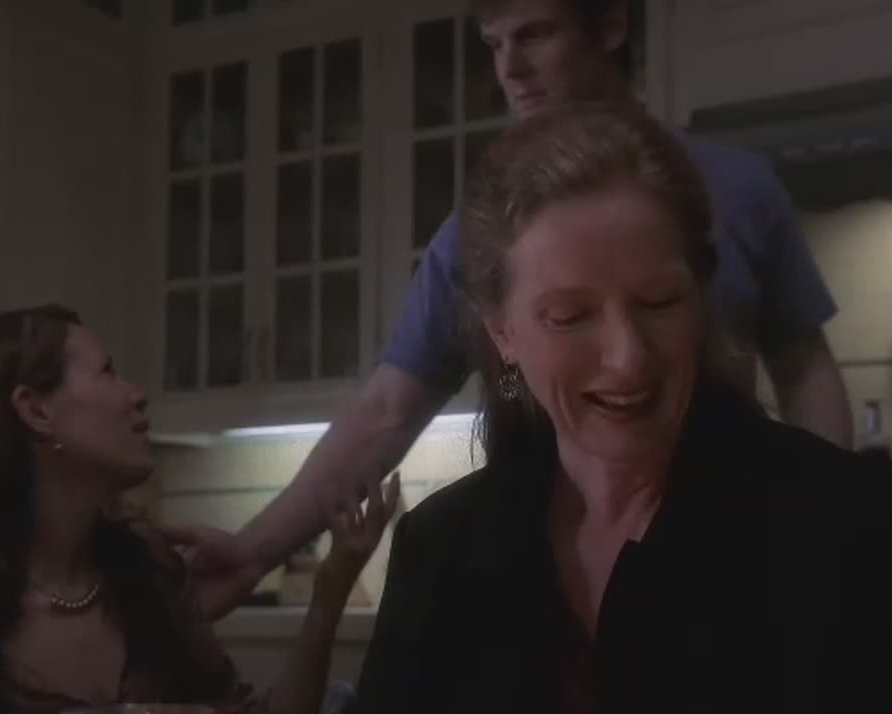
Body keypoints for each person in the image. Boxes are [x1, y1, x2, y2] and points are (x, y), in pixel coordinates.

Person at [166, 0, 854, 618]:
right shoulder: (479, 238)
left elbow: (805, 368)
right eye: (494, 44)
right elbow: (387, 411)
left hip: (732, 557)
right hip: (549, 582)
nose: (510, 69)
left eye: (535, 34)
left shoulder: (738, 190)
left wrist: (825, 516)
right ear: (505, 330)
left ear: (612, 25)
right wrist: (253, 551)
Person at [348, 102, 892, 713]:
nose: (628, 358)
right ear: (503, 332)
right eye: (570, 316)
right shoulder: (439, 553)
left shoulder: (878, 535)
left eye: (660, 302)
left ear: (702, 297)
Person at [0, 305, 397, 714]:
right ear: (36, 411)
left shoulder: (149, 580)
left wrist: (330, 590)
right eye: (108, 371)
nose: (137, 394)